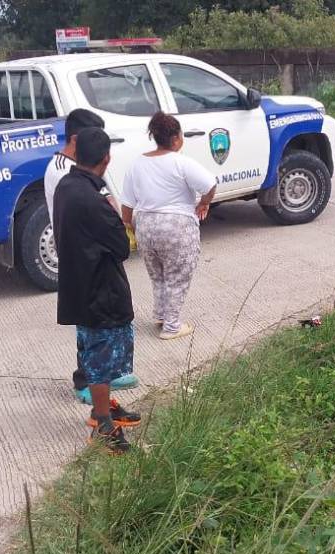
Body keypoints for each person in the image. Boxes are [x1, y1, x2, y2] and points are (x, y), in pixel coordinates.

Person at [55, 126, 142, 454]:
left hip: (78, 284)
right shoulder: (94, 200)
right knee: (102, 358)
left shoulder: (66, 185)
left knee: (92, 352)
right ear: (107, 158)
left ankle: (104, 409)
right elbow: (121, 246)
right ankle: (102, 423)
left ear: (76, 153)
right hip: (100, 290)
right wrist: (114, 213)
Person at [120, 112, 217, 341]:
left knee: (158, 275)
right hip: (176, 226)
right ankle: (172, 327)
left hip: (146, 225)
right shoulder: (181, 162)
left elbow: (127, 205)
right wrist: (204, 203)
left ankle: (162, 315)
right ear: (175, 139)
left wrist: (130, 226)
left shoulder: (137, 164)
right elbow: (210, 184)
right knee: (177, 277)